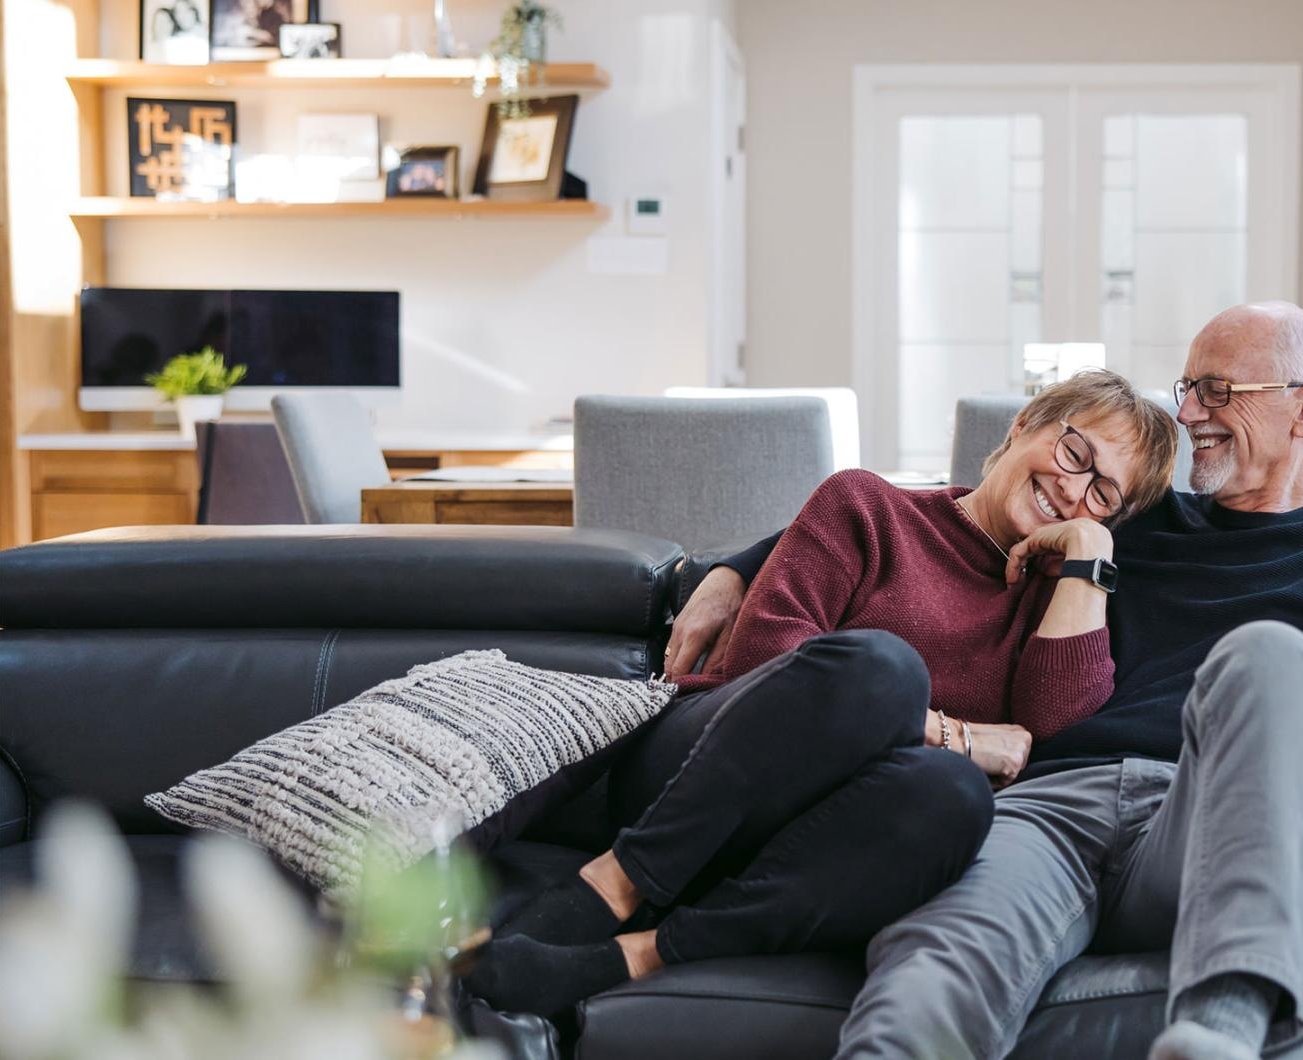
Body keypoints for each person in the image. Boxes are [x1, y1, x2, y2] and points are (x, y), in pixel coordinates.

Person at [672, 302, 1303, 1060]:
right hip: (1046, 807)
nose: (1193, 412)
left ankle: (1220, 1026)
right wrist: (729, 568)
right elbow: (944, 511)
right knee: (931, 981)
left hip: (1207, 814)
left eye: (1219, 392)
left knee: (1270, 653)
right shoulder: (1136, 511)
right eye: (1188, 389)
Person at [468, 370, 1180, 1018]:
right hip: (703, 776)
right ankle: (611, 887)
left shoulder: (1062, 603)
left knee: (952, 799)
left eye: (1102, 495)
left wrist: (1086, 558)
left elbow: (1052, 732)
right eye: (1075, 453)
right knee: (880, 670)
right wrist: (957, 734)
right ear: (1025, 425)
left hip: (820, 849)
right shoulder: (868, 506)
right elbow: (764, 662)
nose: (1073, 489)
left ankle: (636, 954)